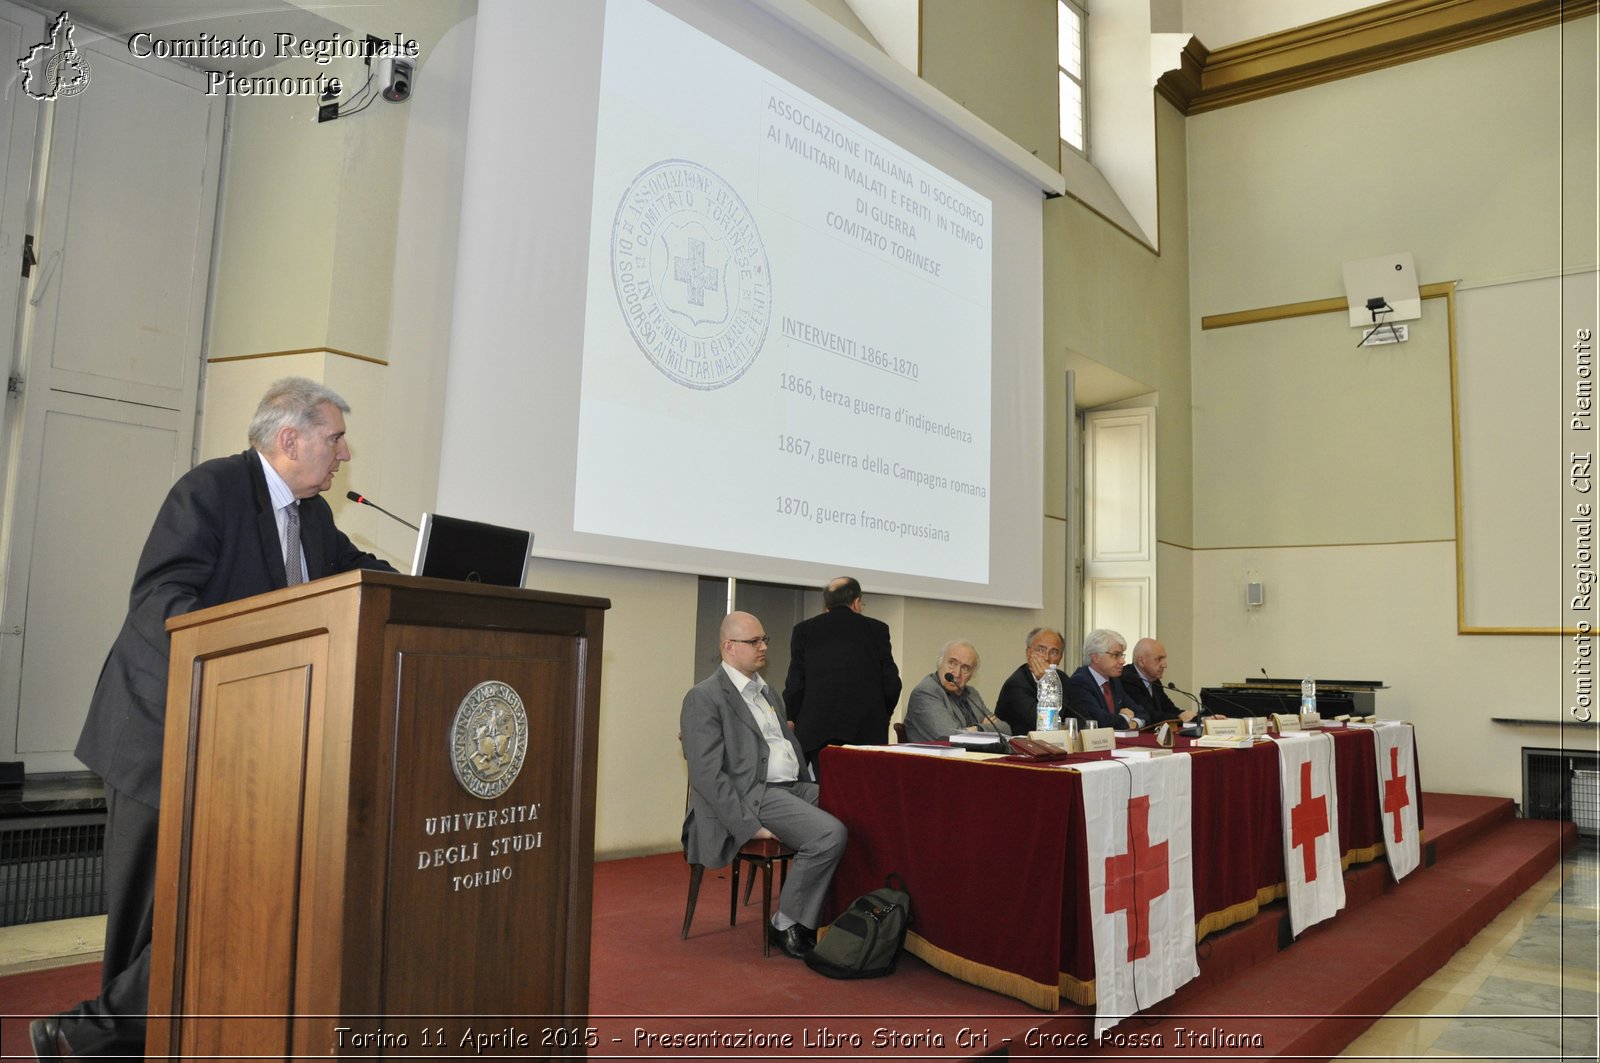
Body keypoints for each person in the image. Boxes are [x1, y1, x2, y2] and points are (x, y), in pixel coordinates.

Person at [32, 378, 396, 1060]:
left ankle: (87, 1037)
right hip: (160, 735)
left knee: (227, 905)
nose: (344, 453)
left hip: (249, 749)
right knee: (146, 921)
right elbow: (160, 600)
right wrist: (255, 651)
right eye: (335, 437)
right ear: (289, 438)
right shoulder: (211, 490)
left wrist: (430, 586)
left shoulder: (313, 516)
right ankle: (98, 1040)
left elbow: (355, 576)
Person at [680, 611, 847, 960]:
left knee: (860, 809)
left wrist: (810, 787)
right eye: (754, 641)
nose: (764, 647)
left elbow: (785, 745)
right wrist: (748, 826)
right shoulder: (704, 697)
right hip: (755, 795)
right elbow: (707, 775)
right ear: (729, 646)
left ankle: (837, 916)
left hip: (793, 787)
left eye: (764, 639)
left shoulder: (766, 691)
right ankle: (786, 922)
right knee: (828, 834)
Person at [782, 576, 901, 779]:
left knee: (828, 794)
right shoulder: (877, 629)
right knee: (864, 794)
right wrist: (883, 712)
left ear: (827, 605)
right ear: (856, 601)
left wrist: (791, 716)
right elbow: (891, 683)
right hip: (867, 732)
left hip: (817, 734)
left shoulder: (804, 630)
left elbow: (795, 683)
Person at [903, 640, 1010, 743]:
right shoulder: (925, 693)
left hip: (971, 757)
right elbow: (950, 736)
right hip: (936, 759)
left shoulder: (972, 694)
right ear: (940, 663)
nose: (957, 673)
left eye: (965, 668)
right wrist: (986, 729)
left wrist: (978, 729)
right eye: (952, 663)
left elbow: (1006, 729)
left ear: (972, 675)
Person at [1064, 628, 1145, 730]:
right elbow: (1100, 721)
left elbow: (1142, 712)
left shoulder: (1114, 681)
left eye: (1122, 655)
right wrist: (1125, 718)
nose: (1122, 661)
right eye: (1116, 655)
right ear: (1095, 657)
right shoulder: (1080, 682)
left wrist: (1134, 723)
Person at [993, 626, 1066, 735]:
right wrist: (1046, 681)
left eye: (1054, 652)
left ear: (1060, 658)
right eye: (1041, 650)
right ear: (1028, 653)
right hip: (1020, 749)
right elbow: (1042, 724)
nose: (1046, 657)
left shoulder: (1063, 679)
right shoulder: (1015, 685)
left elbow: (1082, 720)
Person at [1122, 637, 1199, 725]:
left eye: (1164, 659)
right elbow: (1148, 714)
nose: (1164, 665)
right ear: (1141, 661)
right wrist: (1180, 718)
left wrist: (1199, 718)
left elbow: (1169, 709)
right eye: (1159, 659)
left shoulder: (1154, 680)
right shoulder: (1127, 678)